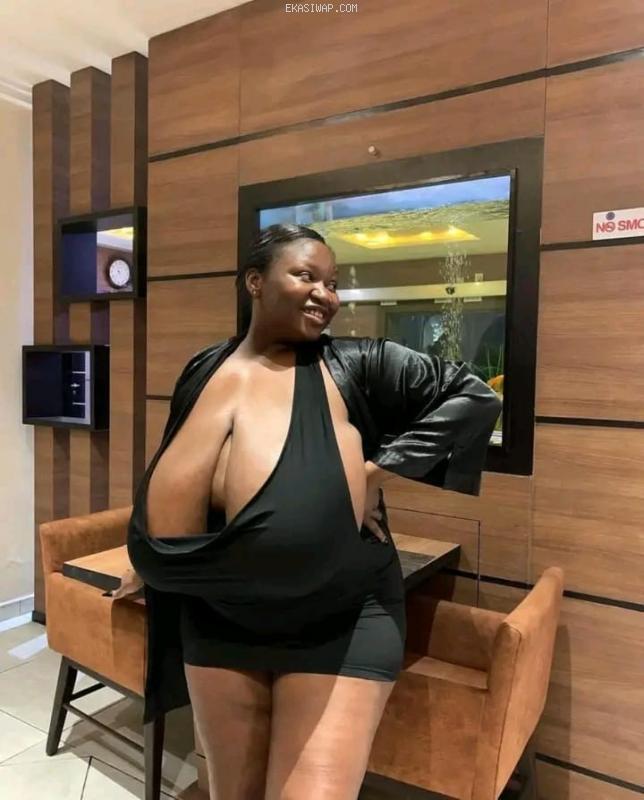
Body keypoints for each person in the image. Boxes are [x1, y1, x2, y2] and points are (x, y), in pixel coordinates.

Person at [116, 223, 502, 799]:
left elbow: (476, 395)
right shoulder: (202, 368)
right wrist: (151, 557)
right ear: (255, 282)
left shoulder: (360, 363)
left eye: (334, 283)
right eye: (307, 276)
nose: (327, 294)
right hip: (218, 619)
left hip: (339, 620)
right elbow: (182, 473)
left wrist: (374, 473)